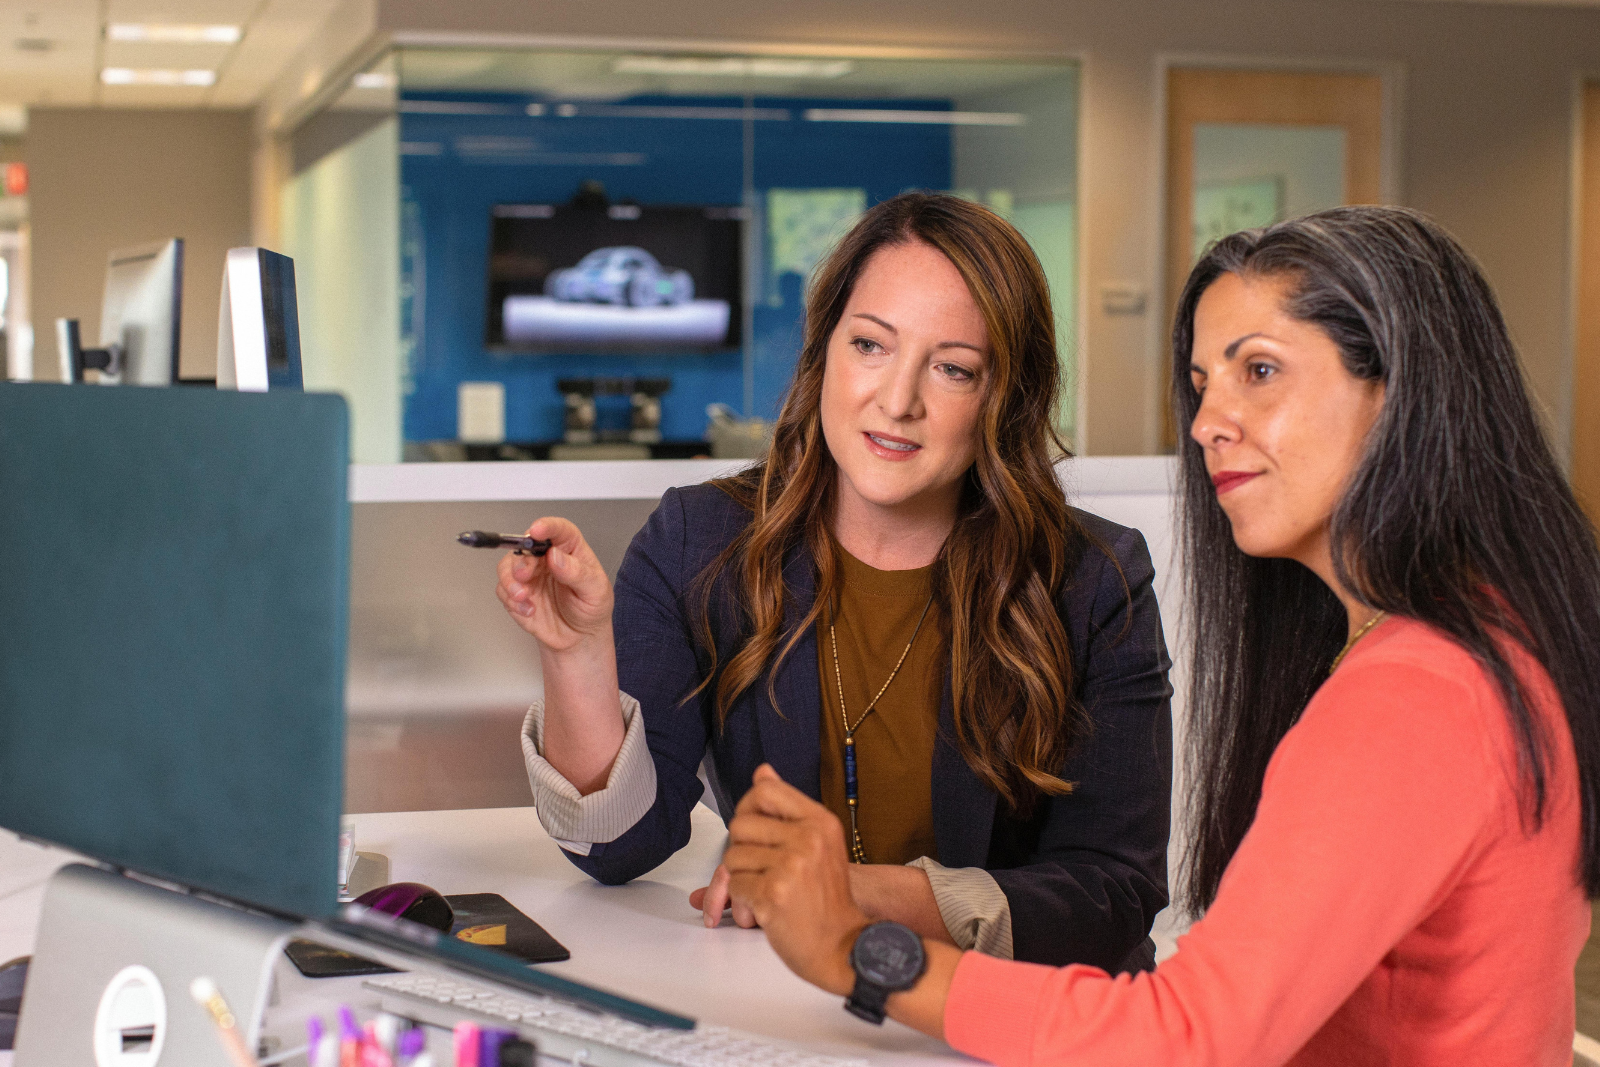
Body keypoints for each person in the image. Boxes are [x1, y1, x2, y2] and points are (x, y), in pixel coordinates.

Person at [721, 205, 1600, 1064]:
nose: (1209, 420)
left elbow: (1189, 1037)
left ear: (1401, 391)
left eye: (1259, 370)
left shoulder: (1419, 693)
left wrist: (855, 951)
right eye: (1201, 382)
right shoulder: (1490, 634)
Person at [495, 192, 1173, 969]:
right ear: (825, 352)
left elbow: (1112, 893)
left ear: (1002, 398)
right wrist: (578, 652)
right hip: (790, 1009)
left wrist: (850, 891)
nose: (897, 400)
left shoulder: (1094, 578)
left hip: (1009, 1022)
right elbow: (618, 847)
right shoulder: (700, 541)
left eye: (952, 368)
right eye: (871, 346)